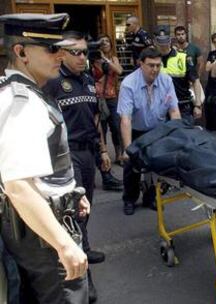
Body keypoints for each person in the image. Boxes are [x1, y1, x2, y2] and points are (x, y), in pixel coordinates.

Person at [0, 13, 89, 303]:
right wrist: (64, 245)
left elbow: (39, 170)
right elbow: (18, 185)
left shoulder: (20, 93)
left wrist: (71, 192)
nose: (60, 55)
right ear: (21, 52)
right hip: (44, 238)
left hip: (39, 227)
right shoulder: (23, 104)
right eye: (51, 49)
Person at [42, 31, 109, 303]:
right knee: (72, 216)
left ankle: (86, 246)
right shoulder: (53, 83)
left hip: (89, 153)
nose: (83, 57)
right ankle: (83, 278)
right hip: (65, 158)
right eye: (76, 52)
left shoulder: (88, 80)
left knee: (85, 210)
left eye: (85, 52)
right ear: (62, 54)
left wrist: (104, 149)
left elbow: (95, 119)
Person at [118, 47, 181, 215]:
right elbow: (126, 119)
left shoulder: (166, 80)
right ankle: (130, 199)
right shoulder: (128, 84)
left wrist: (179, 138)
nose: (155, 69)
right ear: (141, 64)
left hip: (158, 131)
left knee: (156, 167)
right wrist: (127, 148)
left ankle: (150, 197)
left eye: (158, 65)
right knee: (132, 167)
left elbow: (174, 112)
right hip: (136, 130)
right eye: (151, 65)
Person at [91, 34, 124, 165]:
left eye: (107, 41)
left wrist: (106, 59)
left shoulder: (113, 58)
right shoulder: (93, 60)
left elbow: (119, 71)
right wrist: (99, 59)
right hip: (99, 97)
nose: (105, 43)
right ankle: (103, 156)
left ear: (111, 44)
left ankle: (119, 155)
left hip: (112, 97)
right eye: (102, 41)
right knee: (101, 128)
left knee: (116, 127)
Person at [155, 35, 203, 124]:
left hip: (182, 106)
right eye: (160, 44)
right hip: (160, 108)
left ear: (170, 42)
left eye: (165, 43)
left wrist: (198, 105)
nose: (163, 46)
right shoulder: (152, 60)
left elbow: (196, 80)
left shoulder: (183, 58)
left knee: (184, 136)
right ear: (156, 44)